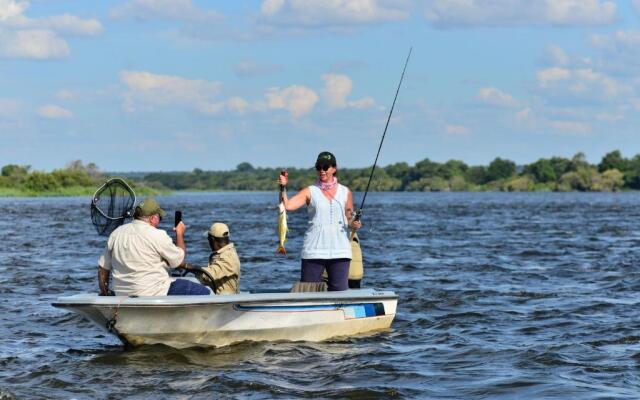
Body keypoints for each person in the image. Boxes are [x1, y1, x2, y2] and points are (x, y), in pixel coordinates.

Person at [278, 151, 362, 291]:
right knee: (308, 295)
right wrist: (283, 187)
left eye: (326, 167)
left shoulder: (346, 192)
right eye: (319, 167)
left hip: (340, 252)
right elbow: (287, 206)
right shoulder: (310, 191)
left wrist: (354, 223)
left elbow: (349, 218)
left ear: (334, 168)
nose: (322, 170)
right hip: (313, 251)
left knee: (340, 295)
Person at [97, 198, 211, 296]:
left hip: (121, 294)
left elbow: (103, 268)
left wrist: (105, 292)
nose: (159, 221)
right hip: (154, 292)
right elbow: (179, 260)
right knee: (205, 292)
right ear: (153, 218)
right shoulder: (157, 234)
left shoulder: (116, 233)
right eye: (159, 217)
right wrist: (180, 234)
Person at [193, 222, 241, 295]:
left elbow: (210, 275)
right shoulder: (222, 253)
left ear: (212, 239)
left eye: (208, 238)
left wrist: (190, 267)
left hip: (226, 301)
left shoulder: (229, 258)